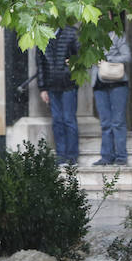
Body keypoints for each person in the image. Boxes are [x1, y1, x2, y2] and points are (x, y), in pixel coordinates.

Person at [38, 26, 80, 165]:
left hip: (68, 84)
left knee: (69, 119)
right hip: (52, 85)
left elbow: (80, 56)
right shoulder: (42, 34)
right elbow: (40, 64)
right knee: (57, 121)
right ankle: (61, 155)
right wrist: (42, 88)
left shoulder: (71, 33)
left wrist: (72, 64)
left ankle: (72, 156)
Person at [92, 29, 132, 166]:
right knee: (105, 123)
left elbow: (127, 56)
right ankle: (106, 156)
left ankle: (121, 156)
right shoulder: (91, 35)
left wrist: (107, 59)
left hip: (117, 82)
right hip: (98, 83)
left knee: (118, 121)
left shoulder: (117, 35)